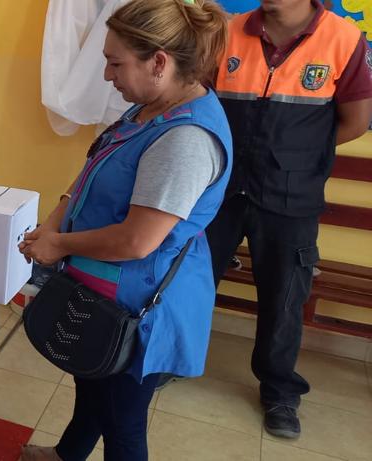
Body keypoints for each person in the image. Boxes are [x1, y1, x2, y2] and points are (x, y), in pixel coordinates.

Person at [19, 0, 231, 459]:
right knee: (93, 386)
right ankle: (67, 455)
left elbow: (138, 241)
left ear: (158, 62)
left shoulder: (185, 141)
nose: (107, 75)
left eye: (116, 63)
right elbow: (91, 171)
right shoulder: (146, 110)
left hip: (139, 304)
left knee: (123, 422)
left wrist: (58, 243)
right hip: (100, 290)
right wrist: (52, 226)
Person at [208, 0, 372, 439]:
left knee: (284, 297)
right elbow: (202, 99)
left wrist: (299, 154)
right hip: (220, 186)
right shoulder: (229, 31)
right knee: (191, 278)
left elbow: (356, 121)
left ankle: (280, 392)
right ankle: (170, 359)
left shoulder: (342, 38)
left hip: (290, 195)